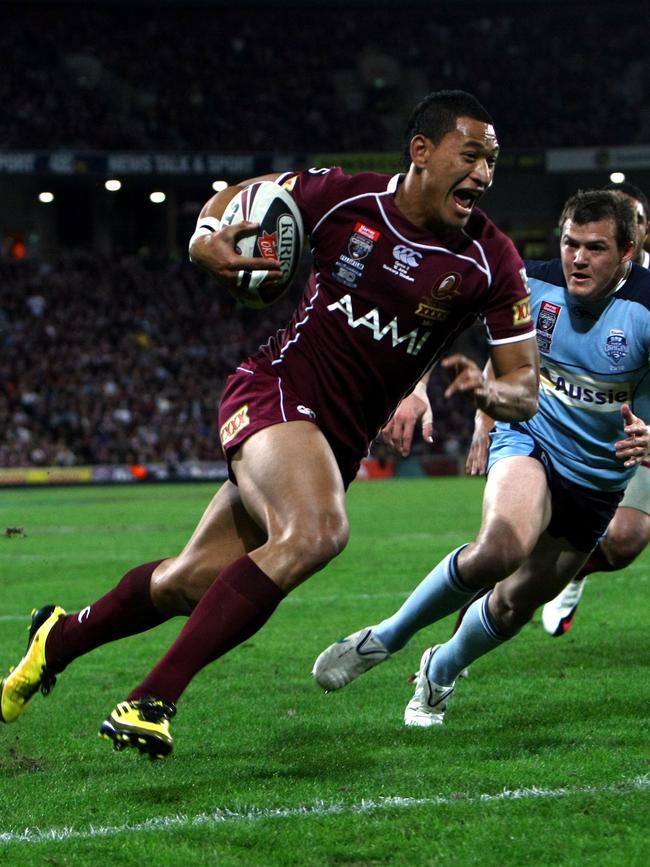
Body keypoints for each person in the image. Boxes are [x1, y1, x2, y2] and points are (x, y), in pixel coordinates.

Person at [0, 91, 538, 759]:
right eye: (472, 154)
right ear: (422, 152)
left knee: (190, 581)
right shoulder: (345, 199)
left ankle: (58, 637)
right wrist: (203, 242)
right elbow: (238, 198)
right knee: (316, 530)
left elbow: (524, 385)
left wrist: (489, 390)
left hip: (334, 441)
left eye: (493, 160)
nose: (484, 173)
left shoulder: (492, 260)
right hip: (275, 392)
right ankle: (151, 698)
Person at [313, 189, 650, 727]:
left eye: (596, 248)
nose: (578, 259)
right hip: (531, 440)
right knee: (500, 548)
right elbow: (440, 317)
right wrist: (417, 387)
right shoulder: (528, 280)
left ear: (628, 254)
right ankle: (387, 636)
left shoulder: (646, 309)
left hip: (599, 481)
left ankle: (440, 669)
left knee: (516, 603)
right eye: (570, 244)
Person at [541, 181, 650, 635]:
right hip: (594, 432)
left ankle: (574, 570)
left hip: (641, 431)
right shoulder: (563, 285)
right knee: (511, 546)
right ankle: (451, 656)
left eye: (639, 220)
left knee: (624, 541)